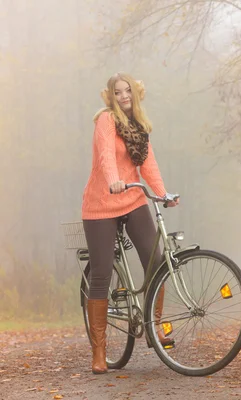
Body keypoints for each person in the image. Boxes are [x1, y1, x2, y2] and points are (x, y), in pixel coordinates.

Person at [81, 72, 178, 374]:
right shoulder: (106, 120)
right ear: (110, 96)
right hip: (102, 203)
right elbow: (106, 156)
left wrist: (163, 194)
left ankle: (155, 326)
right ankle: (99, 351)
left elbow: (148, 164)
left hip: (133, 199)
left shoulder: (138, 125)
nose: (123, 96)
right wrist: (113, 181)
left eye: (127, 92)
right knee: (101, 273)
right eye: (118, 92)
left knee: (157, 258)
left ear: (135, 95)